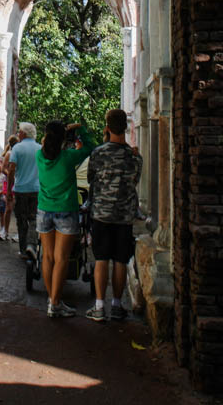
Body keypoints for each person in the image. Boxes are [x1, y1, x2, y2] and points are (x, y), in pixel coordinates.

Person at [86, 108, 142, 322]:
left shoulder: (99, 153)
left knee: (101, 258)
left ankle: (99, 306)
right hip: (124, 215)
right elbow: (135, 180)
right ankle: (117, 305)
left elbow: (91, 178)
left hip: (101, 213)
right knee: (120, 259)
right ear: (126, 128)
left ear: (107, 127)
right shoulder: (134, 157)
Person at [36, 121, 96, 318]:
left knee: (47, 256)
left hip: (44, 209)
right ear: (62, 138)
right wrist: (80, 130)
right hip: (65, 210)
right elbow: (90, 148)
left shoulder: (39, 156)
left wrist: (57, 136)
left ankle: (52, 300)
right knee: (62, 258)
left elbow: (48, 144)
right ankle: (55, 302)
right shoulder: (69, 157)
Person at [7, 123, 41, 258]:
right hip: (36, 189)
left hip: (21, 189)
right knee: (34, 218)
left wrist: (9, 190)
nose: (18, 134)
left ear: (24, 133)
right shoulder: (40, 148)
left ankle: (22, 249)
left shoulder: (17, 148)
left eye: (20, 132)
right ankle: (31, 245)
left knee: (21, 220)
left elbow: (11, 170)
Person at [0, 134, 19, 241]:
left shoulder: (19, 153)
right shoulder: (9, 153)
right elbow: (3, 169)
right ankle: (5, 230)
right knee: (9, 208)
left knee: (17, 209)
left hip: (18, 182)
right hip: (10, 183)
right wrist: (11, 175)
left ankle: (17, 232)